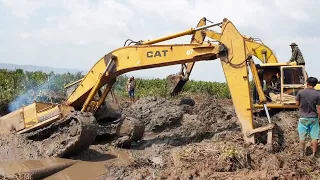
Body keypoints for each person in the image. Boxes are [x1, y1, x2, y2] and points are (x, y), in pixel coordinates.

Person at [295, 77, 320, 157]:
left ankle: (302, 153)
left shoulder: (300, 92)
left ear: (307, 83)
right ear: (315, 84)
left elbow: (297, 104)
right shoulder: (318, 94)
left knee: (302, 137)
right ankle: (313, 154)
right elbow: (319, 107)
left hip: (303, 118)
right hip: (314, 118)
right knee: (315, 137)